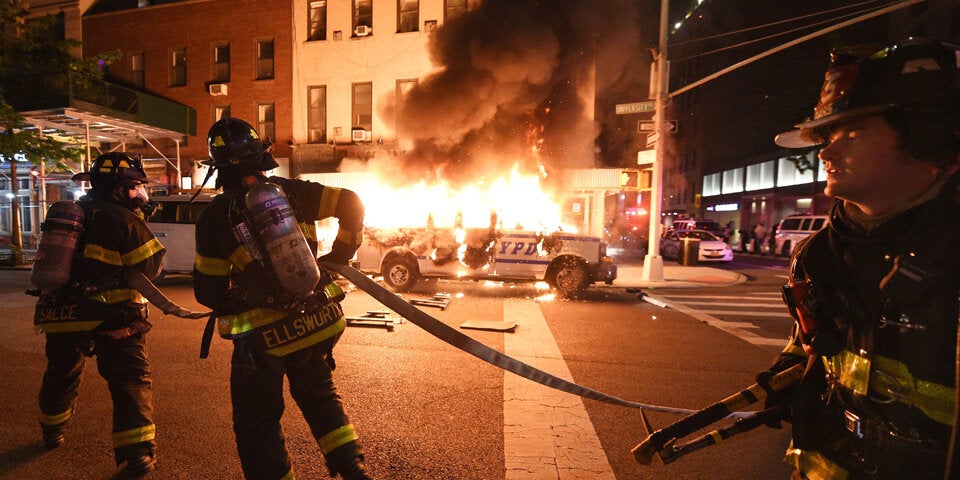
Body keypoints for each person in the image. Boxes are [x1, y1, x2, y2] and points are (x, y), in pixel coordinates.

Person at [760, 38, 960, 480]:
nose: (826, 152)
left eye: (852, 133)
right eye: (827, 137)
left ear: (927, 136)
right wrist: (787, 374)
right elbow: (813, 345)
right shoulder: (819, 254)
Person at [192, 117, 370, 480]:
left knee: (257, 423)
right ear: (262, 156)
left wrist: (247, 299)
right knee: (320, 396)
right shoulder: (295, 192)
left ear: (217, 169)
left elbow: (207, 292)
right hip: (316, 320)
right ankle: (352, 468)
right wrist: (339, 257)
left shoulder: (213, 218)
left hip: (263, 341)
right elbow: (352, 203)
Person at [35, 152, 164, 476]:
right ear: (120, 188)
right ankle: (136, 456)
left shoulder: (75, 213)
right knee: (130, 381)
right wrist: (141, 218)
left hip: (65, 313)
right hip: (114, 317)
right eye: (134, 186)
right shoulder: (124, 219)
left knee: (61, 374)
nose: (138, 193)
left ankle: (52, 430)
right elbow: (152, 268)